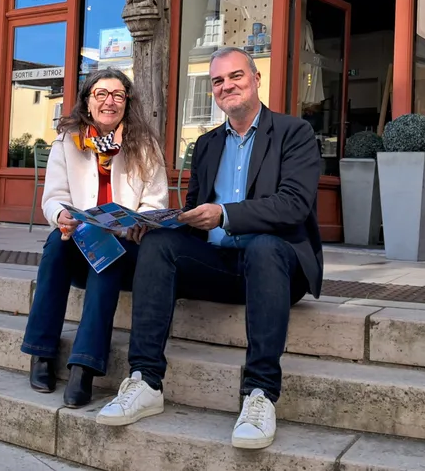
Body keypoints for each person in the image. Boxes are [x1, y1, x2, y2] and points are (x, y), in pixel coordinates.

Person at [95, 47, 323, 450]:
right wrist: (165, 222)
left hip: (277, 267)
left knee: (266, 248)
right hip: (220, 264)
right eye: (218, 81)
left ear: (256, 79)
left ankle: (260, 394)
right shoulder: (206, 144)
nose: (226, 86)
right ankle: (145, 381)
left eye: (236, 76)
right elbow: (199, 208)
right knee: (161, 243)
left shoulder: (294, 133)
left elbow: (294, 204)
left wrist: (224, 214)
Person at [21, 68, 168, 408]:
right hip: (77, 243)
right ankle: (41, 353)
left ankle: (84, 367)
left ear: (126, 103)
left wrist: (137, 222)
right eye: (100, 94)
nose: (109, 102)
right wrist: (61, 215)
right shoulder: (67, 142)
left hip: (126, 246)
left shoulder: (144, 145)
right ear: (88, 101)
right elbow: (53, 196)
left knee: (107, 252)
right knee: (56, 246)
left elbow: (156, 200)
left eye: (117, 95)